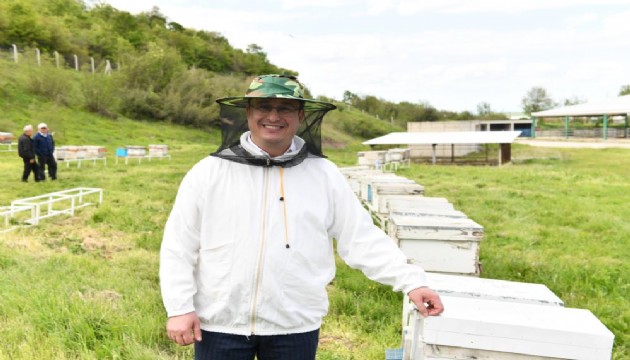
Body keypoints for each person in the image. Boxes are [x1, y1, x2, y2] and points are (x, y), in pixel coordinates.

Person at [160, 74, 444, 359]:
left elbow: (359, 236)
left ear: (300, 115)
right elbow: (179, 244)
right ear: (248, 113)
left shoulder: (324, 175)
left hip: (293, 325)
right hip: (220, 323)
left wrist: (411, 281)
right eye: (263, 107)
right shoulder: (209, 172)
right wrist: (179, 307)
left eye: (284, 108)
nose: (273, 116)